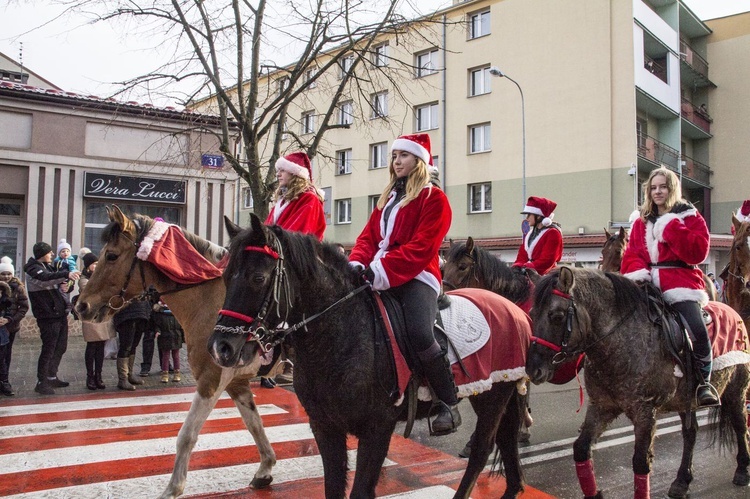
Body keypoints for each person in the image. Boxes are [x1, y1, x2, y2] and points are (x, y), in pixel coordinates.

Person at [348, 133, 459, 435]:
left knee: (419, 331)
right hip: (379, 271)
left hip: (417, 276)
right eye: (394, 156)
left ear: (419, 161)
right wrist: (358, 263)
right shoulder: (387, 199)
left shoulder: (434, 198)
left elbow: (422, 248)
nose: (396, 161)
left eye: (403, 156)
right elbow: (368, 238)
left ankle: (448, 401)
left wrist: (379, 269)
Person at [621, 166, 718, 407]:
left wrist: (670, 227)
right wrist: (638, 275)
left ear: (672, 188)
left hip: (680, 282)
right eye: (653, 188)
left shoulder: (689, 216)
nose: (658, 192)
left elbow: (697, 252)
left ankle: (703, 383)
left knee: (697, 329)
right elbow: (632, 253)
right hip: (647, 283)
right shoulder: (640, 222)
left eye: (663, 186)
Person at [261, 151, 326, 387]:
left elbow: (296, 234)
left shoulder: (309, 200)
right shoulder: (282, 200)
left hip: (299, 261)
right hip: (278, 258)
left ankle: (289, 359)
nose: (278, 173)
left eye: (283, 169)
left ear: (296, 174)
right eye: (279, 169)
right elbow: (268, 229)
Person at [24, 241, 81, 395]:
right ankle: (41, 381)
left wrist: (67, 284)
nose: (52, 254)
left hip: (59, 313)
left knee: (60, 347)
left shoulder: (48, 266)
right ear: (42, 254)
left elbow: (58, 282)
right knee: (48, 348)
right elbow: (47, 279)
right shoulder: (32, 269)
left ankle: (51, 376)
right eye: (49, 252)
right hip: (47, 316)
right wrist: (65, 274)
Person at [77, 252, 114, 390]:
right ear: (88, 266)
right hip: (90, 316)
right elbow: (92, 292)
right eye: (94, 264)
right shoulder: (84, 279)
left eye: (98, 264)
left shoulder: (101, 277)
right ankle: (90, 376)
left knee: (101, 347)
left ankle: (99, 375)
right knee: (92, 346)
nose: (97, 266)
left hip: (103, 315)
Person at [513, 196, 564, 276]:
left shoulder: (553, 233)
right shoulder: (529, 234)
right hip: (528, 272)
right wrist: (517, 267)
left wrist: (528, 267)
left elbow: (547, 261)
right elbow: (522, 256)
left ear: (539, 216)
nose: (527, 218)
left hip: (547, 277)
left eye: (529, 215)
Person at [0, 257, 29, 396]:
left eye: (8, 274)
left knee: (6, 355)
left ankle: (5, 381)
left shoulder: (18, 288)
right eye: (3, 274)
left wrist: (9, 320)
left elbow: (23, 308)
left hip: (10, 327)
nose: (6, 276)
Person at [112, 298, 152, 390]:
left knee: (133, 346)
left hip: (141, 312)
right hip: (127, 314)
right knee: (126, 346)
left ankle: (129, 374)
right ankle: (123, 379)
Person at [152, 300, 184, 383]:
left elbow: (157, 325)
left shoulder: (159, 314)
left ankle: (169, 374)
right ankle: (172, 373)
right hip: (173, 336)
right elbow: (181, 327)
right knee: (170, 356)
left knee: (170, 356)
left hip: (169, 336)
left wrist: (157, 331)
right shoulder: (177, 314)